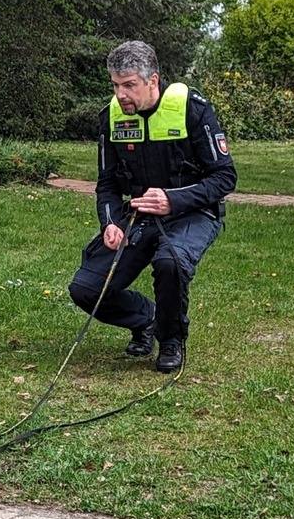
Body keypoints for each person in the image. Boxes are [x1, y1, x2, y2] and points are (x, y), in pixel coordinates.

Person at [68, 40, 237, 373]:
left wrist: (173, 199)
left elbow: (225, 177)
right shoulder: (112, 118)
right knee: (85, 289)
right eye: (116, 85)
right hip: (138, 216)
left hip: (193, 213)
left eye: (129, 85)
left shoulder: (192, 109)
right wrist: (110, 223)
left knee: (170, 262)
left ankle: (171, 339)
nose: (121, 94)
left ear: (153, 81)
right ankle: (146, 320)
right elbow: (107, 184)